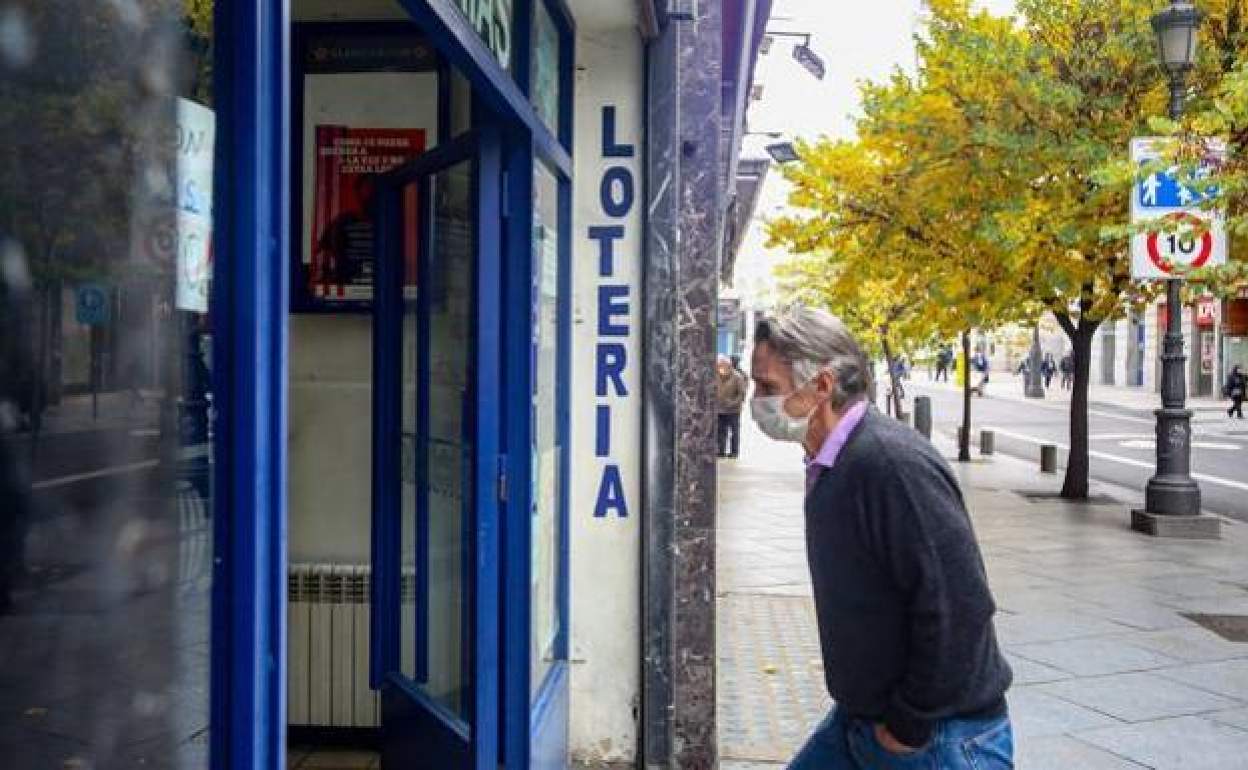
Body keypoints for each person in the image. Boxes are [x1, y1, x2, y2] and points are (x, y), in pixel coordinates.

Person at [749, 308, 1013, 770]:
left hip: (937, 738)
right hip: (865, 721)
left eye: (768, 387)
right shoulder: (834, 462)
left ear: (822, 386)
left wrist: (907, 725)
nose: (756, 400)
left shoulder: (890, 465)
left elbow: (960, 606)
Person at [716, 355, 748, 458]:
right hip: (719, 409)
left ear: (729, 365)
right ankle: (721, 451)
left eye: (723, 365)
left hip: (733, 410)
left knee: (734, 432)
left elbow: (742, 394)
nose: (721, 367)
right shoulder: (716, 376)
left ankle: (734, 452)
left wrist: (732, 403)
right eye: (719, 365)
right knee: (721, 432)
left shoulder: (738, 377)